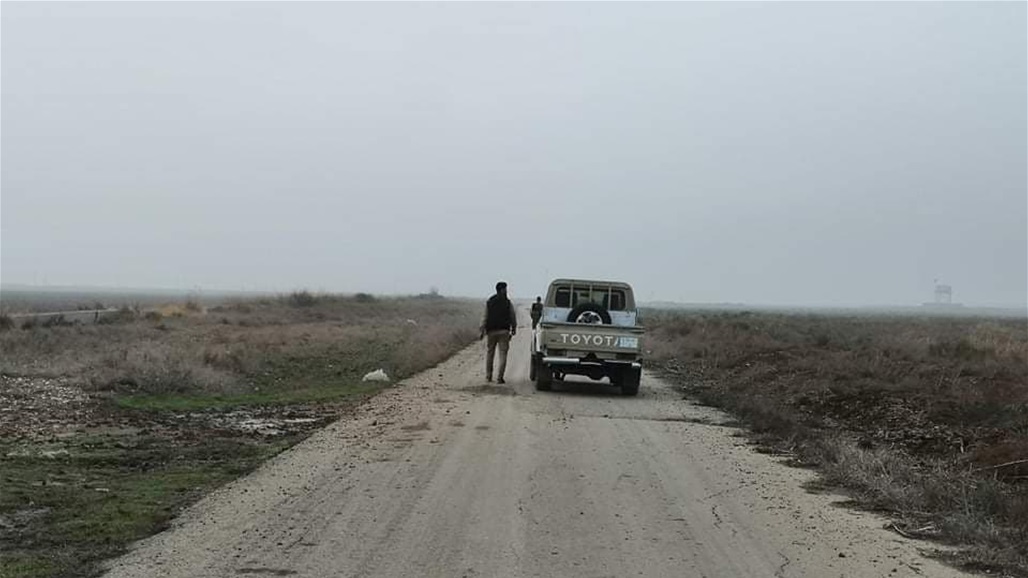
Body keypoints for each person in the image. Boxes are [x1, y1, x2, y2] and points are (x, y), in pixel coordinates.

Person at [480, 281, 517, 384]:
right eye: (505, 289)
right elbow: (512, 316)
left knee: (490, 353)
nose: (506, 291)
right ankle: (499, 378)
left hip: (491, 331)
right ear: (501, 289)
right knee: (503, 354)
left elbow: (485, 316)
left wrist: (482, 330)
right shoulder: (507, 302)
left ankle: (488, 376)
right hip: (504, 331)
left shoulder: (490, 301)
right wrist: (514, 328)